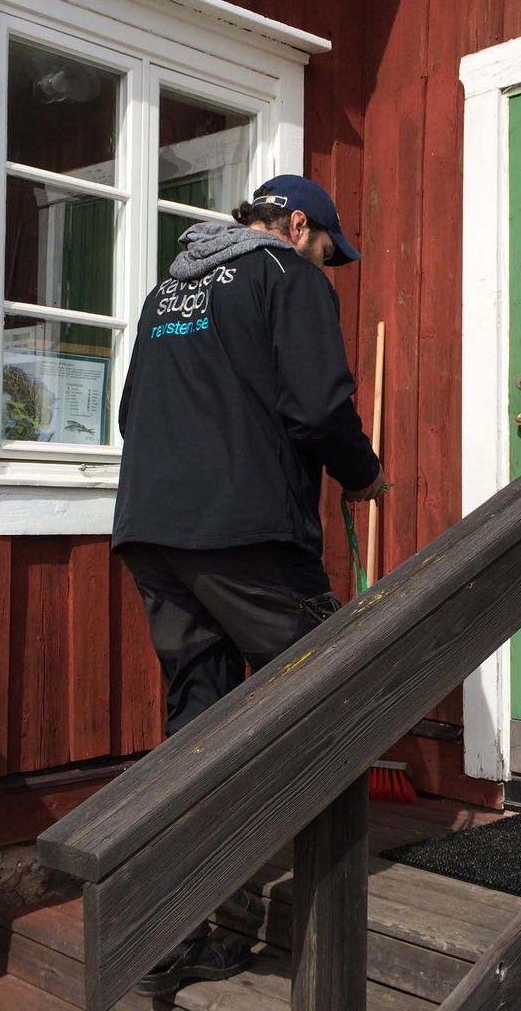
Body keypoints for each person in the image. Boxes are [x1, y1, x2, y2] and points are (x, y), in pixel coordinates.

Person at [111, 174, 387, 995]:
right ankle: (328, 921)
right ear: (298, 225)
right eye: (328, 252)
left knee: (199, 724)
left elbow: (132, 413)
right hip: (246, 535)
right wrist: (363, 474)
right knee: (334, 693)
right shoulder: (282, 274)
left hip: (153, 533)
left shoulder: (170, 290)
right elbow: (316, 407)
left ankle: (169, 933)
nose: (326, 267)